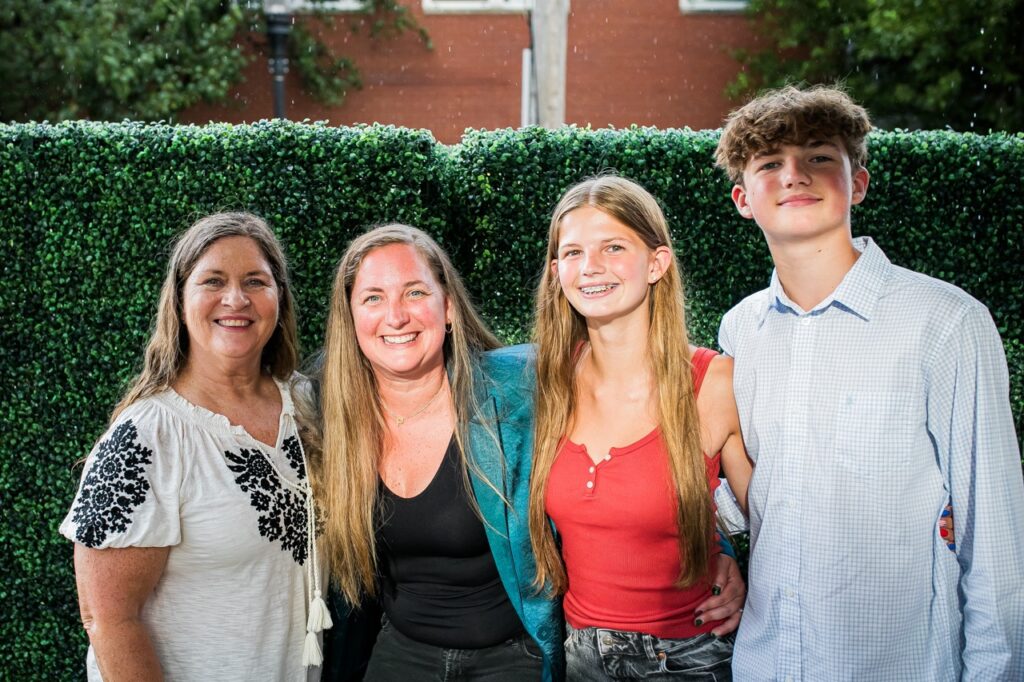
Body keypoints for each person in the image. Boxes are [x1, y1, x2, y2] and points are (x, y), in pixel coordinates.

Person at [714, 84, 1024, 680]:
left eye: (818, 156)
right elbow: (765, 493)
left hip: (896, 663)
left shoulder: (946, 322)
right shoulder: (742, 329)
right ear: (743, 199)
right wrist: (715, 545)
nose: (794, 175)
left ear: (857, 182)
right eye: (770, 163)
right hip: (767, 662)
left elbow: (994, 539)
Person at [60, 212, 331, 681]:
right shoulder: (147, 435)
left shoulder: (308, 405)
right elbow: (108, 619)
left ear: (279, 297)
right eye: (213, 281)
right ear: (180, 299)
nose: (236, 299)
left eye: (255, 281)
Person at [527, 175, 753, 681]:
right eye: (573, 252)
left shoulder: (715, 383)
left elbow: (776, 524)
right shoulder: (544, 383)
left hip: (689, 657)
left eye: (613, 247)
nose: (591, 266)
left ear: (657, 263)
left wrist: (736, 569)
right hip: (578, 656)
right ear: (557, 271)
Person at [316, 224, 562, 681]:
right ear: (350, 318)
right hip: (402, 651)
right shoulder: (328, 413)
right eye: (372, 298)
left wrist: (704, 555)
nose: (395, 317)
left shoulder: (516, 389)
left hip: (514, 655)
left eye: (414, 293)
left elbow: (625, 392)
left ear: (447, 306)